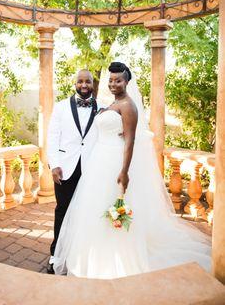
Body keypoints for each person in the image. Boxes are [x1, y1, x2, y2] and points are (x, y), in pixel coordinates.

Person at [53, 62, 211, 279]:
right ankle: (91, 253)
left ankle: (115, 257)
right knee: (92, 208)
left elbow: (130, 141)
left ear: (127, 82)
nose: (113, 84)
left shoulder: (128, 105)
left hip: (114, 163)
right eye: (110, 80)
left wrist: (124, 171)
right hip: (98, 162)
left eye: (118, 80)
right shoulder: (109, 104)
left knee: (111, 205)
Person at [46, 69, 98, 274]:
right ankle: (56, 255)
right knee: (62, 212)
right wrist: (54, 164)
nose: (84, 85)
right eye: (80, 81)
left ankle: (83, 255)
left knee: (87, 213)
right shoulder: (60, 107)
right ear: (75, 83)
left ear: (93, 84)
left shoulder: (102, 107)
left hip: (92, 169)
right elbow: (52, 137)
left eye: (88, 82)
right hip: (65, 168)